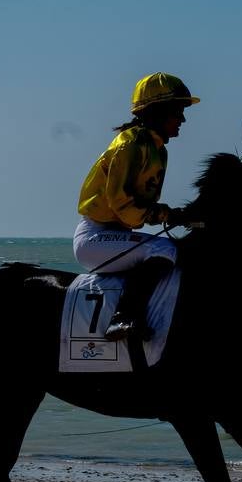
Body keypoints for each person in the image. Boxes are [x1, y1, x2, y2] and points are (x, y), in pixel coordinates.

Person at [73, 71, 200, 341]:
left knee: (176, 249)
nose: (183, 119)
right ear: (158, 111)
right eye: (178, 111)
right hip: (95, 238)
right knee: (163, 248)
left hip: (115, 234)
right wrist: (167, 214)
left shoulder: (157, 149)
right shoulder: (130, 144)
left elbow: (141, 209)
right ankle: (124, 317)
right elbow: (123, 206)